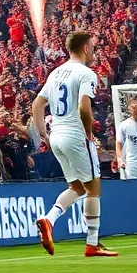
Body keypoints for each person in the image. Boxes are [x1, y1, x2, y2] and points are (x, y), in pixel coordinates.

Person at [32, 31, 117, 257]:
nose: (93, 50)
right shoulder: (86, 73)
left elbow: (37, 105)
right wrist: (88, 134)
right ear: (86, 48)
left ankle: (48, 219)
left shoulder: (55, 73)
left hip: (57, 135)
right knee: (93, 188)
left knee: (77, 187)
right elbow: (83, 108)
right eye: (93, 46)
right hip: (75, 134)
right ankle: (92, 243)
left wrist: (44, 134)